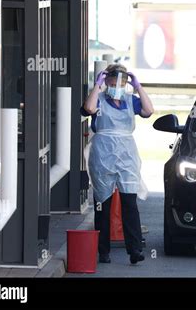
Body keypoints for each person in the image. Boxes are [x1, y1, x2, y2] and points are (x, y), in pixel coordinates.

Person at [81, 64, 154, 264]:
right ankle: (103, 250)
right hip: (103, 154)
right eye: (111, 84)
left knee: (129, 202)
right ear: (106, 83)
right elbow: (88, 108)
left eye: (119, 84)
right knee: (102, 203)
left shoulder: (131, 101)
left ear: (125, 85)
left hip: (126, 155)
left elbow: (149, 110)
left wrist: (138, 86)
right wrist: (97, 86)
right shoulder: (99, 101)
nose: (115, 88)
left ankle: (135, 249)